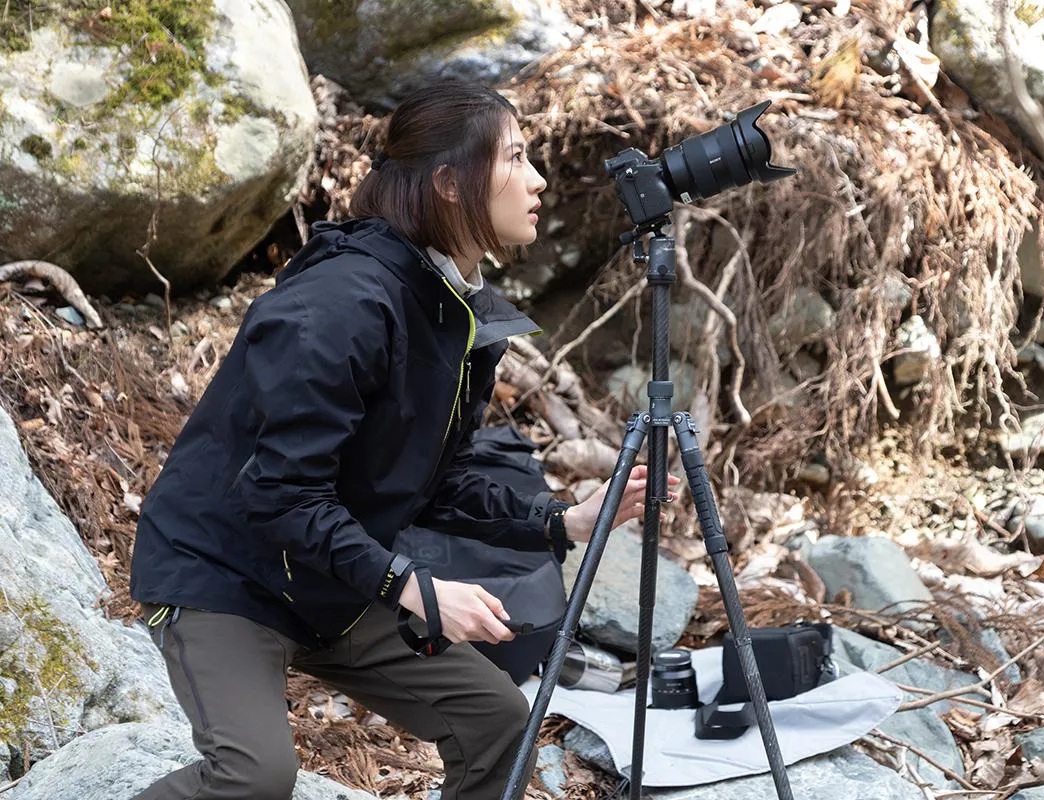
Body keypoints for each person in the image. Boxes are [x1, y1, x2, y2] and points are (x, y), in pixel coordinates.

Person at [129, 79, 678, 800]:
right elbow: (279, 494)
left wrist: (560, 522)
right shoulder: (342, 305)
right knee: (254, 776)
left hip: (331, 581)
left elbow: (434, 479)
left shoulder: (452, 304)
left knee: (499, 724)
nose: (538, 178)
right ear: (449, 183)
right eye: (515, 158)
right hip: (225, 574)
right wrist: (411, 586)